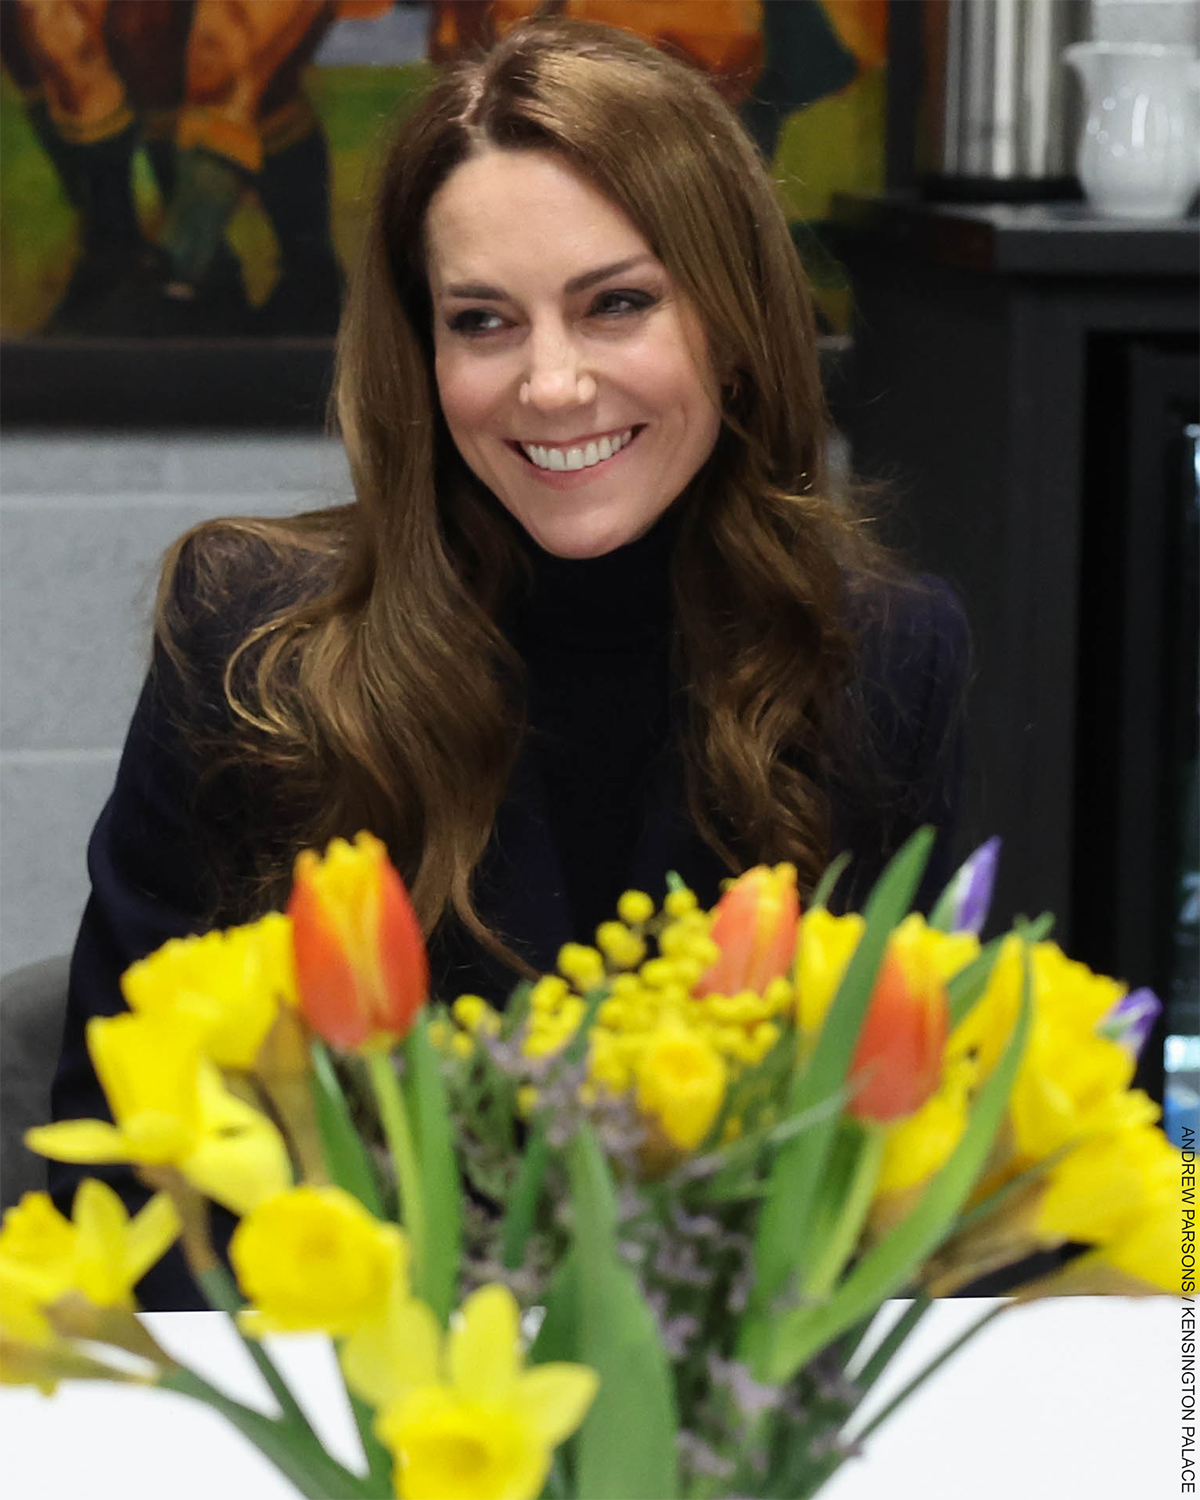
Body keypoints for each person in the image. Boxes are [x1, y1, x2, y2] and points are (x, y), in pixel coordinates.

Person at [50, 17, 969, 1308]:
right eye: (483, 321)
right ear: (425, 356)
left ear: (738, 315)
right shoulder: (250, 637)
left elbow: (898, 1172)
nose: (549, 384)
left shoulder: (881, 655)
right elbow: (129, 1182)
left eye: (619, 304)